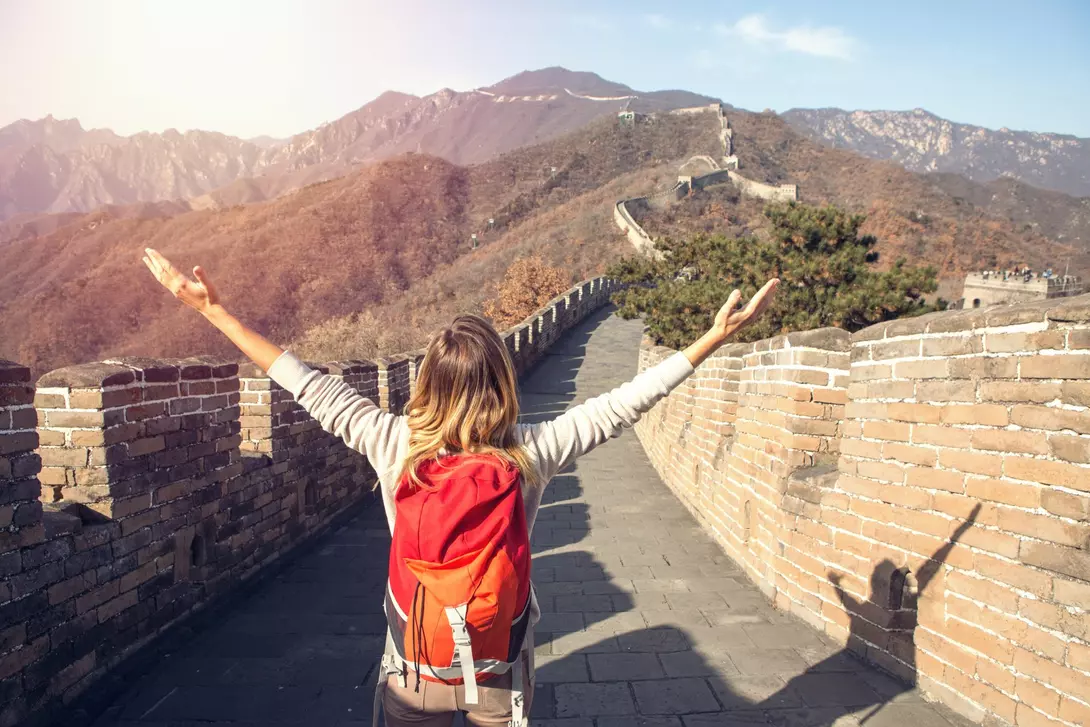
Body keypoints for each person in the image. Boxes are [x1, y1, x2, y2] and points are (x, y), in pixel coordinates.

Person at [142, 248, 779, 727]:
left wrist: (211, 309)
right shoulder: (529, 454)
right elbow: (620, 406)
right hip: (498, 666)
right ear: (502, 383)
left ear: (427, 382)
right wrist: (713, 337)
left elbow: (303, 381)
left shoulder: (392, 443)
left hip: (414, 666)